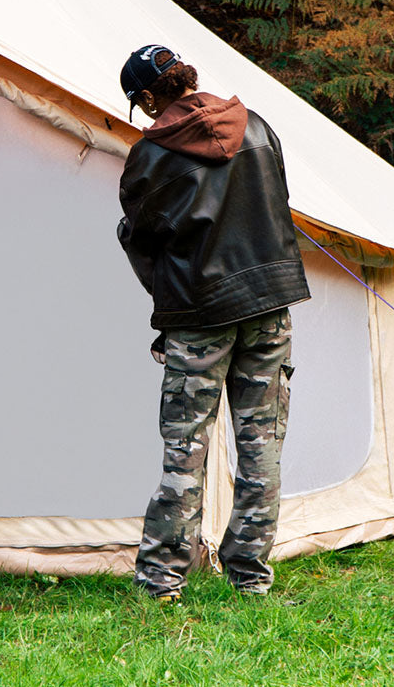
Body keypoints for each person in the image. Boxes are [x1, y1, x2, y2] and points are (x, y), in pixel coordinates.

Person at [116, 44, 310, 600]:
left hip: (199, 315)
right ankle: (250, 576)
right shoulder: (259, 127)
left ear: (151, 95)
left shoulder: (151, 157)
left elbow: (142, 234)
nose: (144, 116)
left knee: (186, 447)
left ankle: (162, 580)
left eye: (139, 105)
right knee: (261, 442)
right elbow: (280, 204)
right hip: (270, 303)